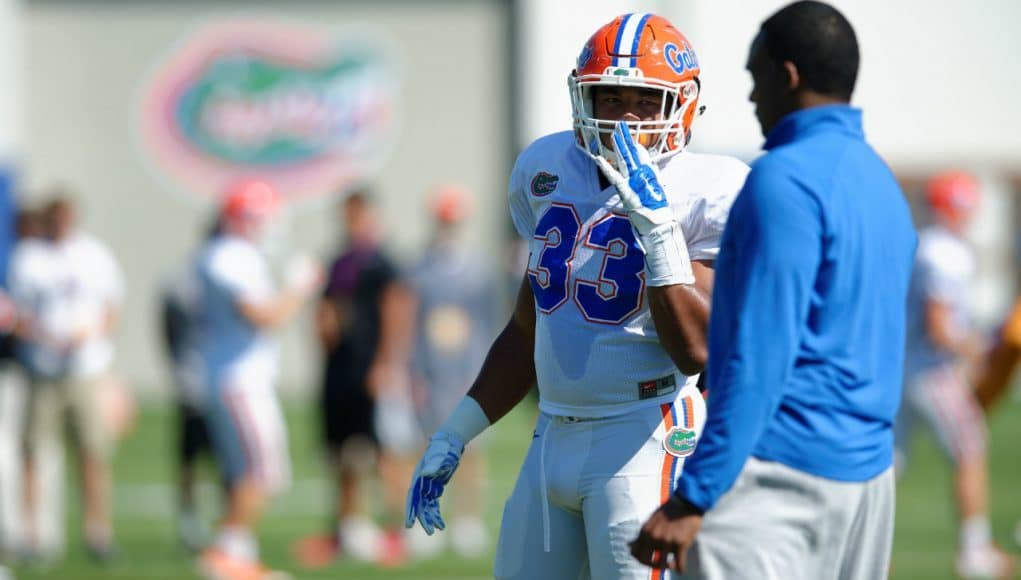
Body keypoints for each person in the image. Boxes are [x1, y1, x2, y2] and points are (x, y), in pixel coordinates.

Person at [405, 13, 749, 579]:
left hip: (647, 433)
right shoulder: (545, 167)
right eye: (608, 97)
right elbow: (527, 325)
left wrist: (660, 233)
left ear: (682, 107)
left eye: (643, 100)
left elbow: (698, 351)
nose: (624, 118)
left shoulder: (708, 188)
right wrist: (455, 431)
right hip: (551, 437)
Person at [629, 2, 918, 578]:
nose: (753, 97)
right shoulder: (880, 180)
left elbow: (756, 356)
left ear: (787, 76)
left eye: (755, 77)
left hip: (780, 476)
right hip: (869, 478)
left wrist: (695, 496)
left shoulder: (781, 181)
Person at [193, 179, 321, 580]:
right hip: (238, 379)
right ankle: (225, 554)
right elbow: (264, 316)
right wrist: (299, 289)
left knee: (245, 471)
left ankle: (237, 558)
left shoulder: (235, 256)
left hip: (238, 377)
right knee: (265, 470)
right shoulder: (228, 257)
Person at [895, 171, 1015, 579]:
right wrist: (981, 350)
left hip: (904, 369)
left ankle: (856, 543)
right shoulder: (944, 252)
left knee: (888, 464)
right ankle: (974, 549)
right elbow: (940, 326)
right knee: (970, 447)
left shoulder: (923, 245)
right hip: (932, 371)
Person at [8, 195, 126, 564]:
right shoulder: (29, 258)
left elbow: (112, 307)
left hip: (86, 369)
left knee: (92, 451)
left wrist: (91, 336)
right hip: (43, 369)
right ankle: (32, 534)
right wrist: (47, 336)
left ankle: (98, 532)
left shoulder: (95, 254)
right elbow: (17, 315)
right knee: (33, 451)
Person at [304, 189, 415, 566]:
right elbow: (327, 309)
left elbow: (397, 308)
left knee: (384, 451)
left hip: (371, 367)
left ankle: (396, 532)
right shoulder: (338, 261)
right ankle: (344, 528)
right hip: (340, 370)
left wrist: (386, 362)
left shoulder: (382, 261)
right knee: (342, 453)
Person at [405, 184, 501, 559]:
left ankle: (467, 519)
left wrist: (484, 371)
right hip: (430, 369)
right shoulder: (419, 268)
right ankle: (426, 519)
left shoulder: (478, 268)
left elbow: (490, 322)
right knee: (425, 446)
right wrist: (412, 371)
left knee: (471, 447)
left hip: (468, 369)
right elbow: (411, 324)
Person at [159, 217, 222, 553]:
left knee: (225, 457)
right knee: (192, 455)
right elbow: (168, 329)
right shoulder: (185, 278)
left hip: (222, 380)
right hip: (198, 378)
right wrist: (179, 369)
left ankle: (224, 522)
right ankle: (191, 519)